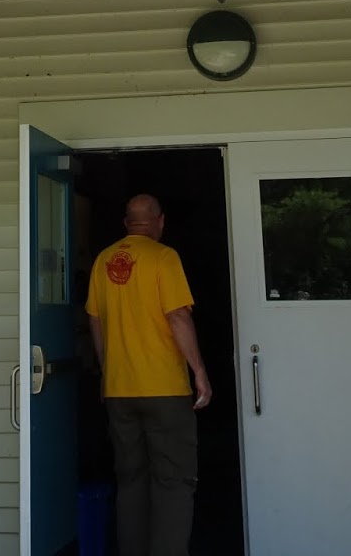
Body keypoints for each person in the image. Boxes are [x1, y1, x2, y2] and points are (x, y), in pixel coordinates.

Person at [85, 193, 212, 556]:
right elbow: (177, 316)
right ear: (159, 221)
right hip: (164, 390)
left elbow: (94, 319)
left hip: (119, 390)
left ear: (127, 224)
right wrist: (199, 371)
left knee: (131, 480)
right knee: (173, 481)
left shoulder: (103, 260)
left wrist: (107, 372)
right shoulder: (164, 257)